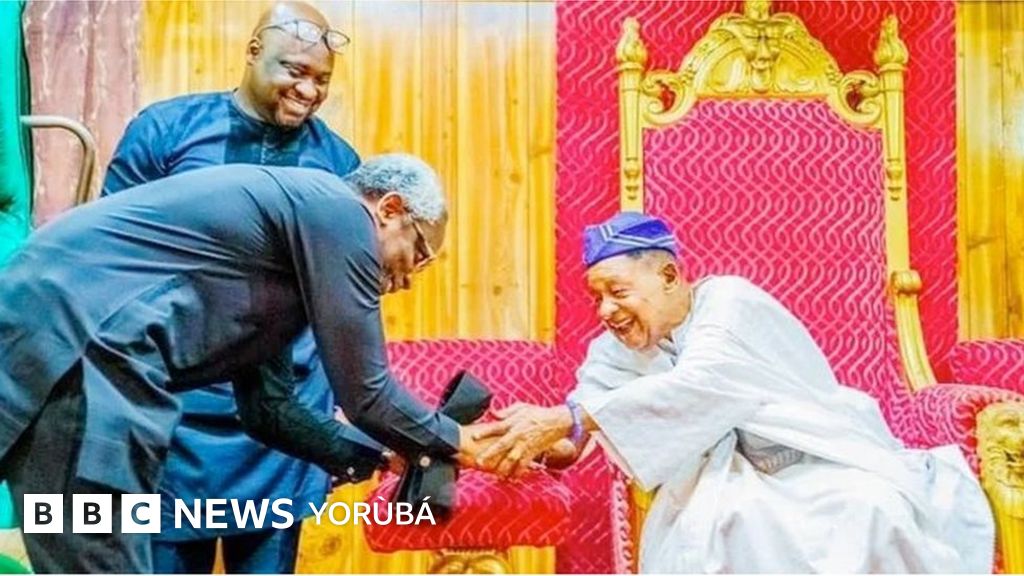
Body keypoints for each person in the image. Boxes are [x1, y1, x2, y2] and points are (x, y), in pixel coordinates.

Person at [0, 155, 493, 573]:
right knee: (101, 557)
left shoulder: (282, 256)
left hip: (47, 343)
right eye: (419, 253)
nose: (408, 280)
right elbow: (367, 393)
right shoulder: (340, 212)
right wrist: (460, 441)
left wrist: (386, 454)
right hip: (89, 356)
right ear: (390, 209)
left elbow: (269, 409)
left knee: (83, 552)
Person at [476, 212, 995, 573]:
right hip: (726, 479)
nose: (606, 310)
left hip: (820, 461)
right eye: (596, 298)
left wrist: (566, 418)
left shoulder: (730, 302)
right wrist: (527, 444)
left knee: (870, 509)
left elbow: (701, 383)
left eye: (618, 292)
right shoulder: (614, 349)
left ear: (669, 276)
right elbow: (579, 430)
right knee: (717, 527)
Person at [102, 2, 364, 571]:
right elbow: (112, 266)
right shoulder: (166, 131)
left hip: (281, 422)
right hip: (174, 414)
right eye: (294, 70)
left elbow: (342, 303)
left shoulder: (339, 164)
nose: (309, 90)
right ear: (253, 52)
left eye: (322, 79)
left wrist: (346, 406)